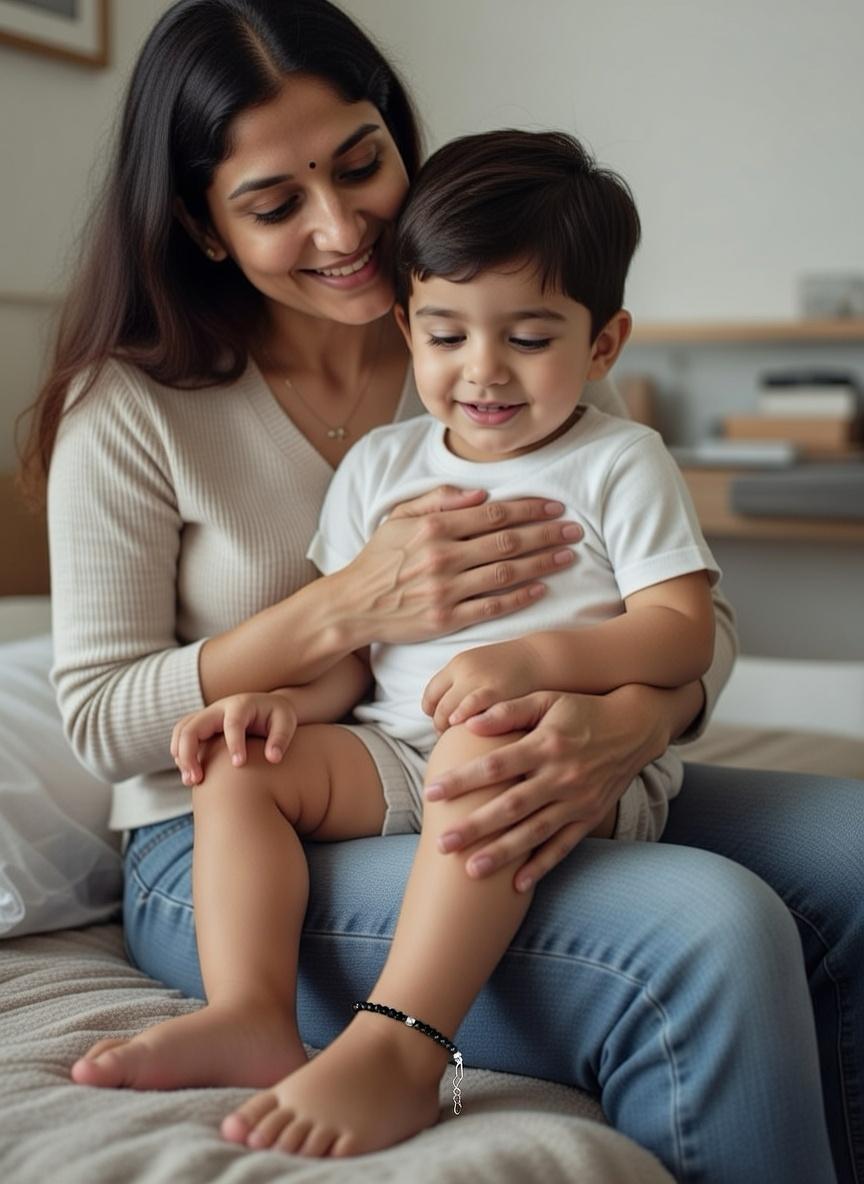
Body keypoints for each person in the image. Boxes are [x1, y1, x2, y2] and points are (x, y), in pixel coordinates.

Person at [21, 1, 858, 1180]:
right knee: (711, 931)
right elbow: (103, 716)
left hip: (498, 739)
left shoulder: (507, 321)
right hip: (230, 838)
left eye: (362, 163)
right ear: (202, 227)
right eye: (273, 203)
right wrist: (340, 611)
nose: (343, 226)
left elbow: (685, 615)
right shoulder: (137, 408)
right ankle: (379, 1034)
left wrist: (624, 726)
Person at [72, 127, 722, 1158]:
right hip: (396, 752)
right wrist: (282, 704)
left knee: (484, 740)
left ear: (603, 344)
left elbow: (684, 630)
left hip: (550, 760)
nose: (485, 372)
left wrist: (543, 665)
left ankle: (402, 1041)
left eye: (530, 337)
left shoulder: (617, 456)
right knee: (245, 765)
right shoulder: (381, 463)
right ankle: (250, 1011)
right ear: (408, 321)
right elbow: (349, 653)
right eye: (448, 335)